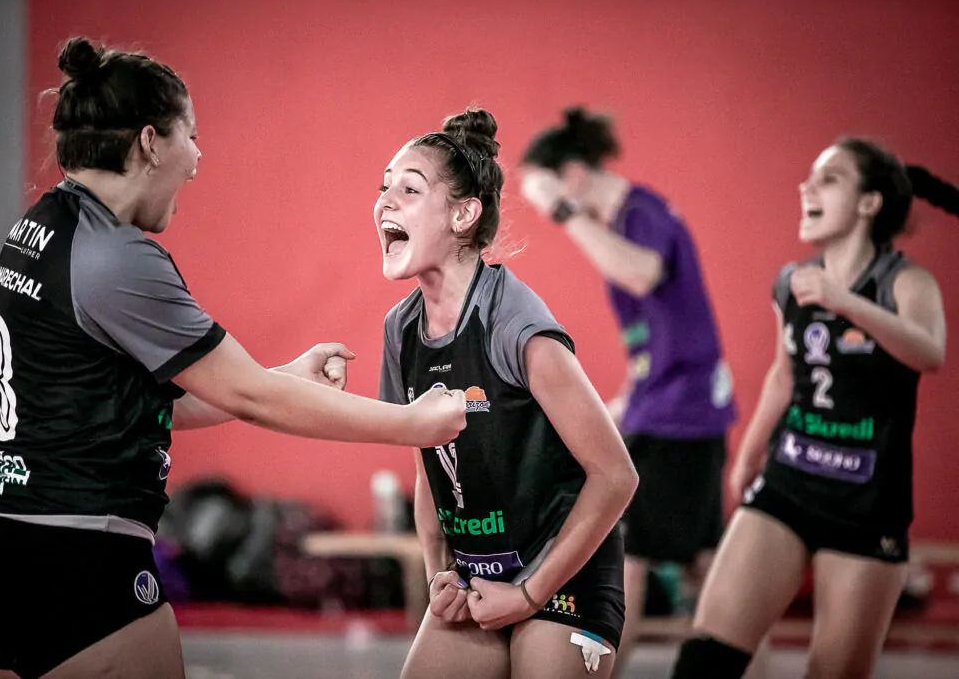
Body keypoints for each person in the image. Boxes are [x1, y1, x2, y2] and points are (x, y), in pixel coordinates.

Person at [0, 37, 467, 679]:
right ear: (149, 143)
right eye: (190, 136)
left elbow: (133, 404)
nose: (196, 160)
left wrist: (283, 376)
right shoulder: (116, 258)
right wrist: (414, 424)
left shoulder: (44, 226)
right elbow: (250, 396)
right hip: (73, 563)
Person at [670, 139, 956, 679]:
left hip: (867, 504)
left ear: (869, 203)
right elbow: (784, 376)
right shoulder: (792, 282)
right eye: (809, 178)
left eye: (829, 179)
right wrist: (748, 456)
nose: (807, 188)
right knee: (704, 659)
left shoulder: (904, 281)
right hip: (789, 483)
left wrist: (843, 300)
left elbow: (930, 352)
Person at [376, 107, 639, 679]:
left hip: (562, 573)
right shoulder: (401, 329)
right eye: (383, 187)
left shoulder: (514, 325)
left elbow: (616, 476)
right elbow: (428, 469)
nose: (385, 202)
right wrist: (439, 573)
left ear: (463, 214)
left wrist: (528, 594)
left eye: (409, 189)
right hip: (479, 577)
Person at [519, 108, 737, 675]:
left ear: (572, 175)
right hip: (664, 407)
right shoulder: (623, 222)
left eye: (543, 194)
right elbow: (658, 335)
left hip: (682, 416)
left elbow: (640, 272)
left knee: (627, 558)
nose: (545, 213)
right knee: (702, 568)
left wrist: (563, 211)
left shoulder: (641, 212)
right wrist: (626, 400)